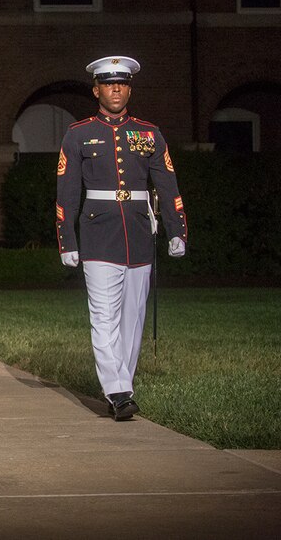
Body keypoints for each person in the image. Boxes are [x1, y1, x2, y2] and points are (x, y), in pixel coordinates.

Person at [56, 56, 188, 421]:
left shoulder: (149, 133)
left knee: (133, 319)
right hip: (98, 234)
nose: (116, 89)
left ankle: (122, 388)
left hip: (139, 234)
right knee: (104, 317)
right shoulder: (78, 134)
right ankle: (117, 390)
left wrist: (177, 230)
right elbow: (66, 191)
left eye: (122, 83)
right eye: (108, 83)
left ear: (130, 88)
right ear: (96, 89)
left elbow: (167, 183)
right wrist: (67, 239)